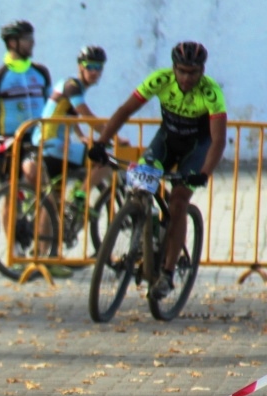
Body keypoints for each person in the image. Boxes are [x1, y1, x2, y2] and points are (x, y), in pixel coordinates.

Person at [89, 41, 226, 299]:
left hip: (197, 148)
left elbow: (218, 140)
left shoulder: (211, 92)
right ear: (173, 68)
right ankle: (143, 235)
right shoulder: (160, 80)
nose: (186, 78)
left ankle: (168, 273)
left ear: (202, 71)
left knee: (178, 201)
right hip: (166, 141)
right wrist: (100, 142)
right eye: (182, 71)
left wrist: (204, 173)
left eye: (193, 72)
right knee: (141, 185)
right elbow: (125, 110)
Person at [26, 45, 121, 277]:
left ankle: (45, 256)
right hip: (53, 146)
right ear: (80, 67)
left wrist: (81, 136)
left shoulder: (70, 86)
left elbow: (69, 115)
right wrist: (114, 136)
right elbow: (85, 114)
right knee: (106, 161)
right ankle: (81, 194)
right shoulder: (72, 85)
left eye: (99, 67)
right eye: (91, 67)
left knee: (53, 202)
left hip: (54, 145)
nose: (95, 71)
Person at [0, 20, 52, 178]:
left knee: (37, 179)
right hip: (11, 139)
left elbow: (51, 106)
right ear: (12, 42)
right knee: (11, 192)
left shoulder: (41, 72)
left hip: (37, 138)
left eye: (32, 37)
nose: (32, 42)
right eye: (27, 38)